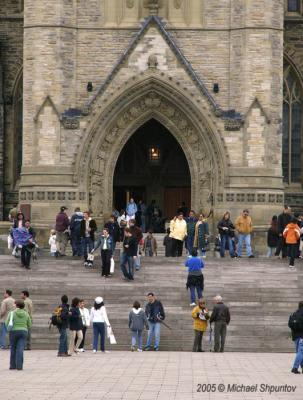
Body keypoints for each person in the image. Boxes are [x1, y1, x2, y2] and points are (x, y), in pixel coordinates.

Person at [6, 300, 31, 370]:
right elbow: (29, 324)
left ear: (17, 305)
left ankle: (12, 365)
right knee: (20, 348)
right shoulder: (26, 314)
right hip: (23, 332)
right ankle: (19, 366)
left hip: (13, 331)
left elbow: (6, 322)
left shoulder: (12, 313)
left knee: (13, 348)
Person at [288, 301, 303, 374]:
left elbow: (289, 324)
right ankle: (295, 367)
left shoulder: (294, 313)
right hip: (302, 336)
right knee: (301, 352)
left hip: (295, 336)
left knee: (299, 352)